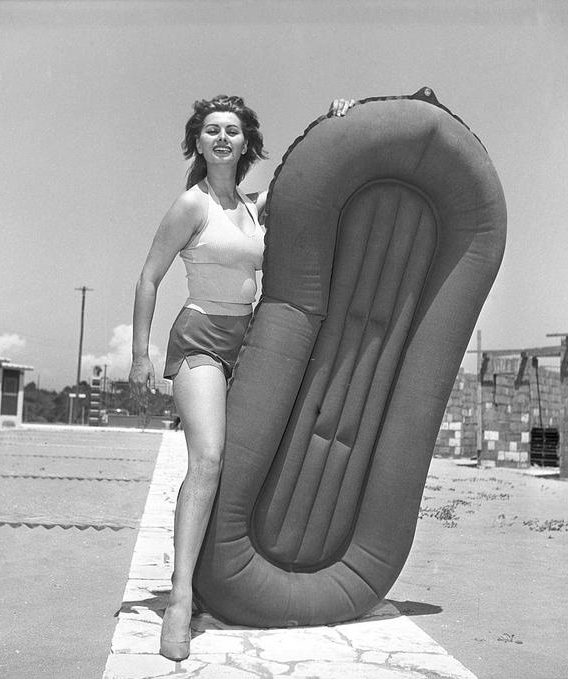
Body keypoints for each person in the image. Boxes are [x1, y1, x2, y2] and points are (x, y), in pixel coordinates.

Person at [129, 94, 355, 662]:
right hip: (201, 338)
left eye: (232, 130)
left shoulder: (257, 209)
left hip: (250, 343)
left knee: (251, 458)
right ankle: (179, 601)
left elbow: (304, 175)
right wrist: (139, 355)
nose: (223, 138)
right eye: (212, 131)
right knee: (207, 459)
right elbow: (149, 277)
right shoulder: (191, 206)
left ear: (246, 143)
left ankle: (220, 578)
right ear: (198, 143)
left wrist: (332, 119)